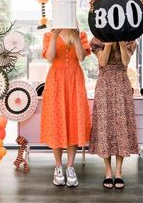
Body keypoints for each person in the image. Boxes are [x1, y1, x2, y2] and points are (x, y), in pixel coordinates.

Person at [40, 28, 91, 187]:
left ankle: (70, 167)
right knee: (56, 121)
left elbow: (81, 57)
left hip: (75, 80)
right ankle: (58, 167)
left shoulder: (80, 34)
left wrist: (76, 38)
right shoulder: (49, 34)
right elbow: (49, 58)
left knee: (73, 121)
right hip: (56, 81)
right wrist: (55, 37)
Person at [89, 38, 139, 189]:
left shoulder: (130, 40)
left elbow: (125, 62)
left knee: (121, 127)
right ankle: (108, 172)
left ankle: (119, 172)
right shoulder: (98, 40)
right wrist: (109, 45)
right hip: (104, 85)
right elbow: (102, 62)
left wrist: (122, 44)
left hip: (122, 84)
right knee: (106, 127)